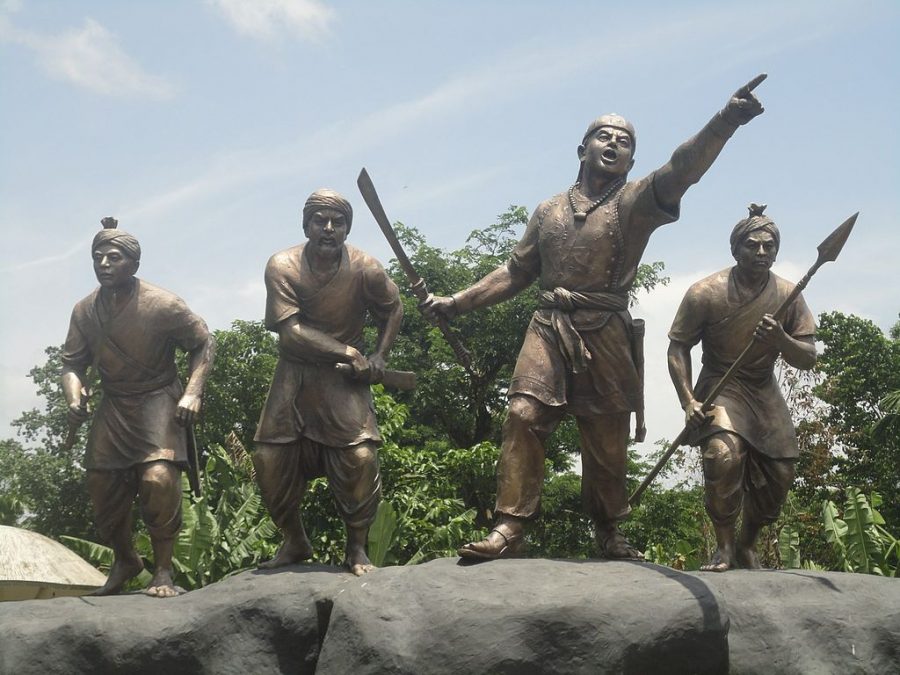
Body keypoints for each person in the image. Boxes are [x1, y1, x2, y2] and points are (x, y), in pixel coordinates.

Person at [422, 75, 767, 561]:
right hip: (549, 323)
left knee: (606, 436)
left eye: (625, 142)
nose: (614, 144)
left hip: (605, 329)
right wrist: (456, 302)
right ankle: (510, 525)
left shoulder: (635, 202)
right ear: (581, 148)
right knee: (522, 415)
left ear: (631, 160)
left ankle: (609, 531)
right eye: (604, 136)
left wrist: (725, 121)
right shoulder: (547, 211)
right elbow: (517, 271)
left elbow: (682, 169)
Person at [62, 218, 215, 597]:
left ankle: (163, 571)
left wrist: (193, 391)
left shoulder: (163, 304)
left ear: (133, 264)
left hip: (157, 400)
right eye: (98, 258)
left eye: (113, 257)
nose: (104, 264)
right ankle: (126, 559)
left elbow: (204, 343)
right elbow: (72, 363)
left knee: (158, 480)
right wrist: (73, 393)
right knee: (101, 488)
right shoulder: (84, 311)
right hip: (114, 406)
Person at [253, 189, 403, 576]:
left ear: (347, 228)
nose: (329, 228)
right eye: (320, 220)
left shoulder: (365, 268)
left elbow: (393, 307)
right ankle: (295, 540)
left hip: (343, 383)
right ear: (306, 225)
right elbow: (290, 333)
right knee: (269, 461)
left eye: (337, 222)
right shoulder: (282, 265)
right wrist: (349, 352)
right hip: (295, 376)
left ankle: (356, 548)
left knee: (360, 458)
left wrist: (379, 356)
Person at [667, 204, 816, 571]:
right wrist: (688, 399)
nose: (762, 252)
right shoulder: (705, 292)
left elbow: (808, 357)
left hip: (762, 388)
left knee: (780, 474)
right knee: (722, 455)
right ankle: (724, 547)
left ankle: (748, 545)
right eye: (753, 245)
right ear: (736, 249)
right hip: (721, 384)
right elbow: (678, 346)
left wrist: (781, 339)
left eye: (769, 246)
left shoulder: (788, 295)